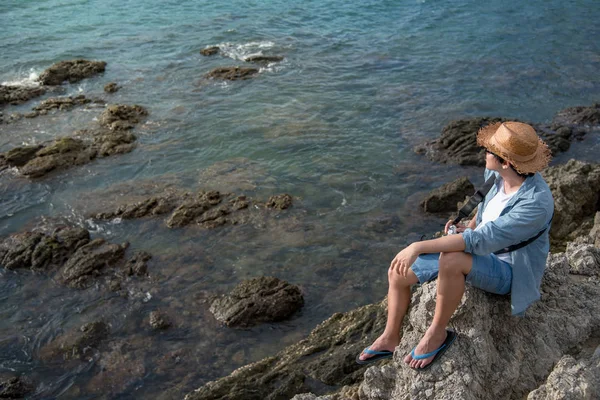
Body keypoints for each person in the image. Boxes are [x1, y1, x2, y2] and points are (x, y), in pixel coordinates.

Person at [356, 121, 554, 370]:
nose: (484, 152)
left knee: (451, 259)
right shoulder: (498, 175)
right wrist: (469, 226)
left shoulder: (535, 203)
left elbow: (481, 240)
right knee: (398, 271)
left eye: (490, 150)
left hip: (511, 272)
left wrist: (418, 246)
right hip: (481, 251)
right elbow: (483, 215)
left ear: (506, 162)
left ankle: (437, 333)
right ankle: (390, 337)